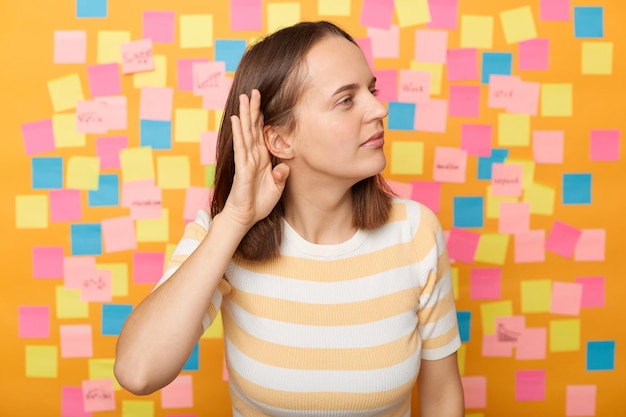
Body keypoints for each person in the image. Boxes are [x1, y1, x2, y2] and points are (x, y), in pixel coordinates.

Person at [114, 20, 464, 416]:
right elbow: (137, 371)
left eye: (371, 90)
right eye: (346, 100)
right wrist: (236, 219)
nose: (379, 108)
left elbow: (442, 398)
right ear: (279, 140)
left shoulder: (415, 233)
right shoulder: (224, 239)